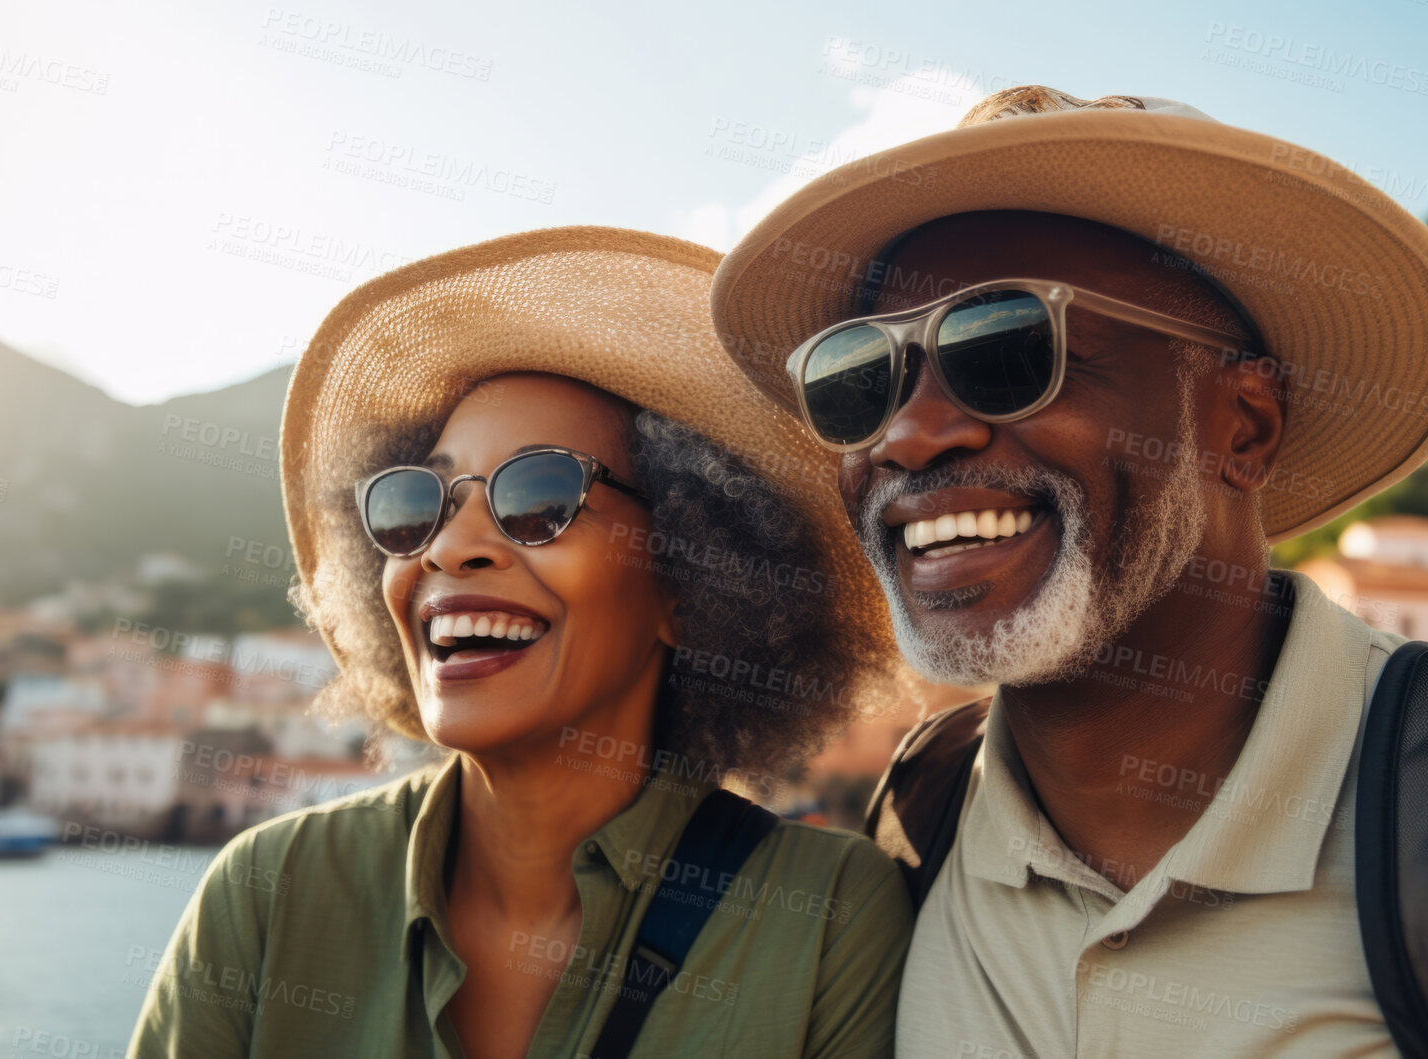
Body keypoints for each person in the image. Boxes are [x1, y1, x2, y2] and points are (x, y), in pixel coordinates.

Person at [709, 86, 1428, 1056]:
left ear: (1242, 426)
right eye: (858, 379)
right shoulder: (918, 822)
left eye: (1006, 347)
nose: (910, 434)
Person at [128, 227, 914, 1058]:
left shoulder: (829, 920)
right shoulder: (267, 893)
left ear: (687, 580)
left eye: (539, 496)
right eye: (417, 505)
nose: (446, 546)